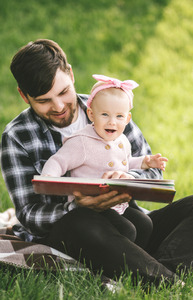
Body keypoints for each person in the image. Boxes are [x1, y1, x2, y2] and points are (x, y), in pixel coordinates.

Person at [0, 39, 193, 284]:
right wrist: (79, 206)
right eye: (43, 101)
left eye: (63, 92)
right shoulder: (17, 136)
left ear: (71, 75)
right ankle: (162, 280)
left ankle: (153, 268)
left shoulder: (109, 106)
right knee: (81, 222)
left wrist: (128, 181)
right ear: (24, 96)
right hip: (77, 233)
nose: (58, 106)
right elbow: (29, 213)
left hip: (130, 225)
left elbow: (152, 173)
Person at [41, 74, 168, 248]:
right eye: (105, 115)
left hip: (117, 205)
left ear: (128, 119)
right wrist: (49, 177)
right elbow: (58, 161)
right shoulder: (82, 142)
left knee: (145, 224)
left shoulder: (122, 140)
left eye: (119, 117)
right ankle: (118, 262)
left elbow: (125, 162)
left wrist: (145, 162)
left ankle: (139, 256)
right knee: (127, 230)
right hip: (91, 208)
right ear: (91, 114)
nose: (112, 122)